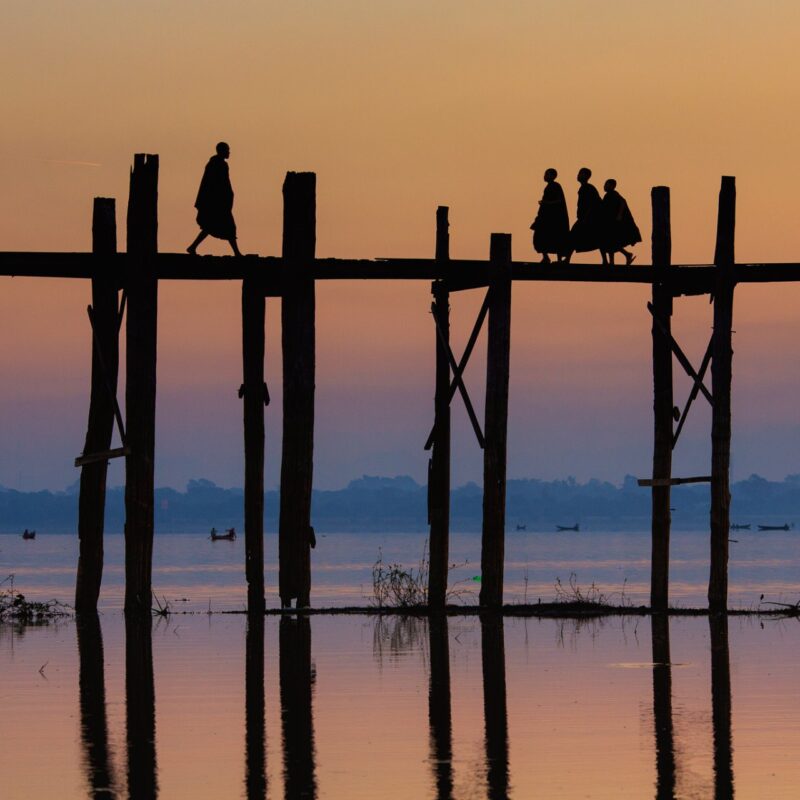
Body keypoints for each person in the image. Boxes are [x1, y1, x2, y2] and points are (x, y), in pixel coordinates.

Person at [187, 142, 242, 256]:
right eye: (227, 150)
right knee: (228, 227)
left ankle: (192, 247)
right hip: (216, 203)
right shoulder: (218, 165)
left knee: (211, 227)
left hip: (218, 202)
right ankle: (236, 252)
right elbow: (216, 185)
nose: (229, 152)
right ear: (221, 151)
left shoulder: (217, 164)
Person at [530, 168, 569, 264]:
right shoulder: (549, 187)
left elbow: (559, 201)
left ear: (552, 176)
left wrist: (546, 203)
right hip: (545, 217)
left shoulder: (556, 186)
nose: (545, 176)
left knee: (557, 238)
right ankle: (545, 257)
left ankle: (559, 259)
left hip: (555, 218)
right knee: (539, 237)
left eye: (546, 174)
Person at [567, 167, 603, 263]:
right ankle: (606, 260)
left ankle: (567, 259)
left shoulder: (588, 188)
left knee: (573, 236)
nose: (578, 175)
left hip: (589, 218)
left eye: (580, 173)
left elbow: (593, 203)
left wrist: (586, 217)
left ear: (586, 176)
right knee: (598, 238)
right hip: (586, 218)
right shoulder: (584, 188)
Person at [601, 179, 641, 265]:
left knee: (610, 242)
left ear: (612, 186)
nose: (604, 186)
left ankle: (624, 256)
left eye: (606, 184)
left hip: (613, 223)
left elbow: (623, 202)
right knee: (610, 243)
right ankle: (624, 255)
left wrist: (619, 215)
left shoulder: (614, 194)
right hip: (609, 222)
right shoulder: (607, 196)